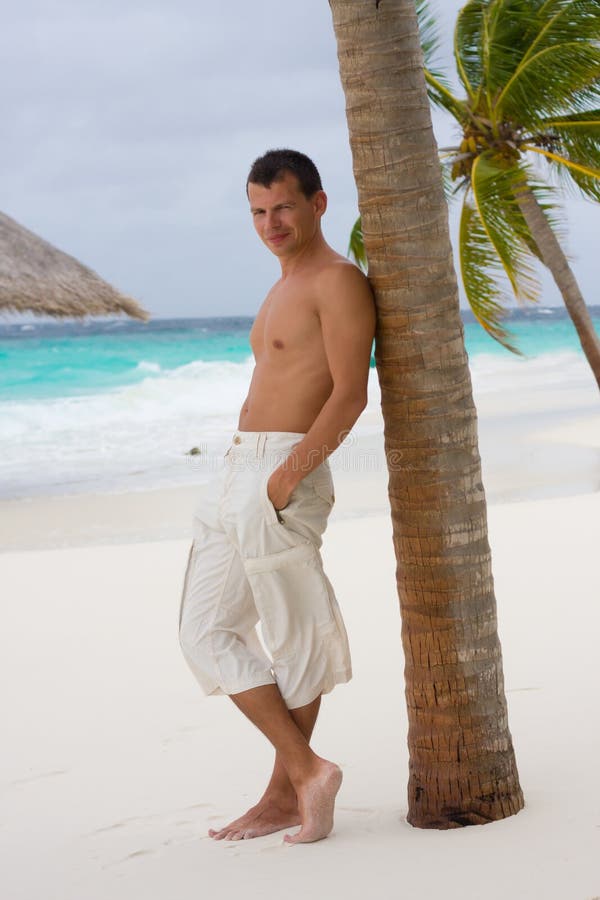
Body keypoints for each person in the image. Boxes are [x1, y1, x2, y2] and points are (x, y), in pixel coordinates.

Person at [178, 148, 376, 844]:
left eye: (283, 206)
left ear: (318, 204)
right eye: (259, 211)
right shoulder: (279, 285)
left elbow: (350, 392)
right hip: (237, 472)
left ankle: (283, 794)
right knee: (202, 630)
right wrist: (250, 470)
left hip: (282, 472)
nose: (271, 222)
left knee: (294, 634)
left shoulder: (337, 281)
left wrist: (288, 474)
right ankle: (304, 771)